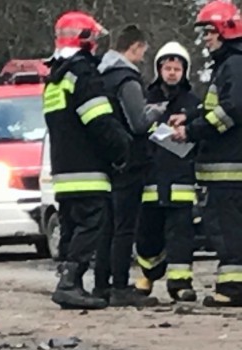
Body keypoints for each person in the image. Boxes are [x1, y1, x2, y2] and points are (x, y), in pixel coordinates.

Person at [44, 11, 132, 309]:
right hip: (88, 170)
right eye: (93, 39)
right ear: (85, 40)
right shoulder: (83, 74)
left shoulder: (55, 78)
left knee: (72, 226)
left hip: (63, 171)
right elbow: (99, 121)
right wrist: (122, 148)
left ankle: (71, 282)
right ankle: (69, 283)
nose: (96, 45)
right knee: (92, 223)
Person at [172, 1, 242, 306]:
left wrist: (192, 131)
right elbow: (215, 105)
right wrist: (190, 117)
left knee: (227, 230)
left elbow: (232, 109)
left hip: (229, 168)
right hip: (225, 168)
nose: (206, 39)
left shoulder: (235, 64)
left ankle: (233, 289)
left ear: (227, 31)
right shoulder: (228, 65)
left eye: (210, 32)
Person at [95, 25, 159, 306]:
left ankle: (101, 284)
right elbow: (139, 123)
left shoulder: (102, 76)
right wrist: (158, 111)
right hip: (130, 162)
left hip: (108, 161)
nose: (143, 57)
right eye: (143, 50)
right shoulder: (127, 79)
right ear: (135, 46)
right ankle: (120, 286)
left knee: (108, 226)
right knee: (124, 228)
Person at [134, 42, 202, 302]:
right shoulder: (146, 100)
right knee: (147, 234)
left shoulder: (193, 103)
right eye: (167, 68)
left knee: (181, 235)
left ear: (185, 72)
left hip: (180, 180)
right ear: (159, 70)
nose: (172, 73)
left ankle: (180, 284)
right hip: (150, 180)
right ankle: (149, 274)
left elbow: (200, 137)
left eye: (177, 69)